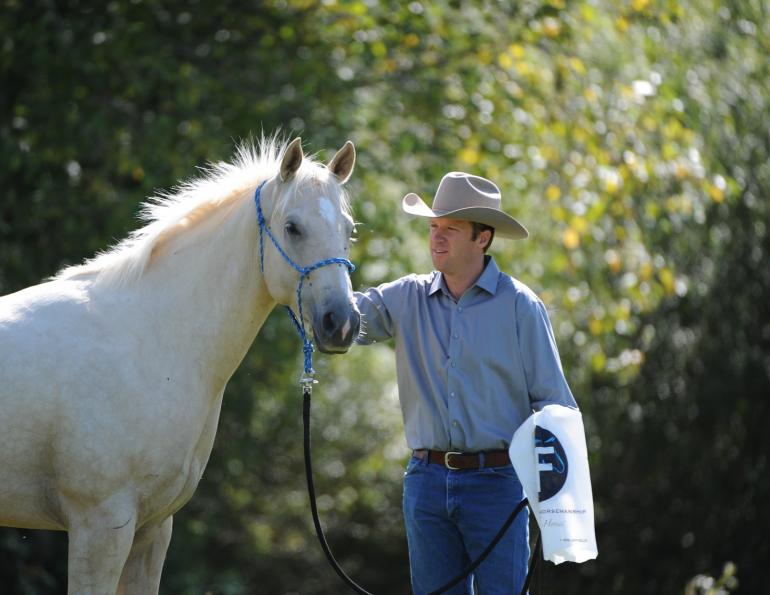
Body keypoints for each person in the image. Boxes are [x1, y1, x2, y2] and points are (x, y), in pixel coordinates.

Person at [353, 171, 578, 595]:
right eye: (433, 227)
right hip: (425, 483)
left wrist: (557, 509)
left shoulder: (520, 307)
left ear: (483, 238)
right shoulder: (405, 297)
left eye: (451, 229)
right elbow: (341, 321)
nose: (436, 238)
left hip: (498, 486)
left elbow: (556, 410)